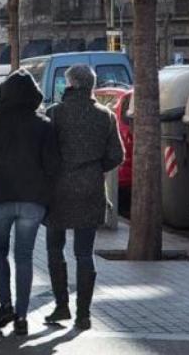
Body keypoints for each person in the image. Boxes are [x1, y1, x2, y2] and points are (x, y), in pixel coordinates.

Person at [0, 69, 58, 337]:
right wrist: (50, 203)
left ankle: (4, 305)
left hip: (1, 196)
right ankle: (21, 315)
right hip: (33, 199)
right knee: (25, 257)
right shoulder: (44, 124)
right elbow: (53, 166)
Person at [43, 65, 123, 330]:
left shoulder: (55, 113)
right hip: (90, 188)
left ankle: (61, 306)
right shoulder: (105, 116)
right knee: (84, 253)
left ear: (70, 84)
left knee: (55, 247)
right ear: (91, 85)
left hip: (57, 189)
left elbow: (44, 152)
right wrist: (93, 169)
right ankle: (84, 314)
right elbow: (116, 155)